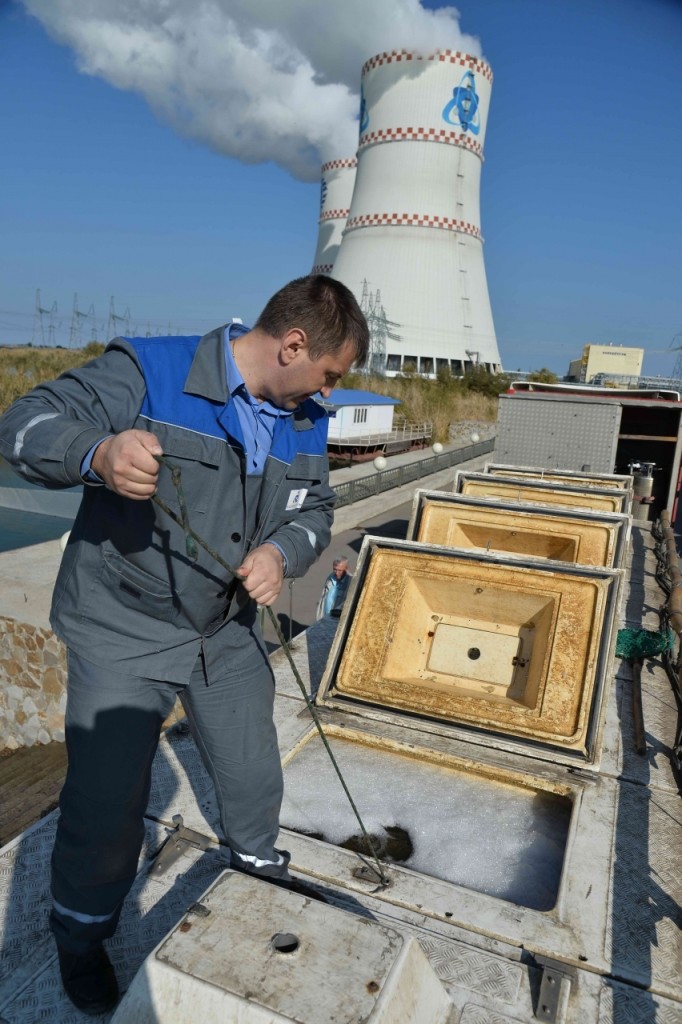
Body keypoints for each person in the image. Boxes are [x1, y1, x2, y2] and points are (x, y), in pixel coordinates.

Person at [0, 274, 369, 1015]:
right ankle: (80, 935)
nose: (328, 389)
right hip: (124, 628)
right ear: (293, 345)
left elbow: (316, 508)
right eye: (329, 373)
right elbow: (21, 425)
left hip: (222, 630)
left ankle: (259, 865)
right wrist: (96, 453)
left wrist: (280, 554)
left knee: (250, 765)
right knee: (105, 805)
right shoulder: (147, 371)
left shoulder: (304, 417)